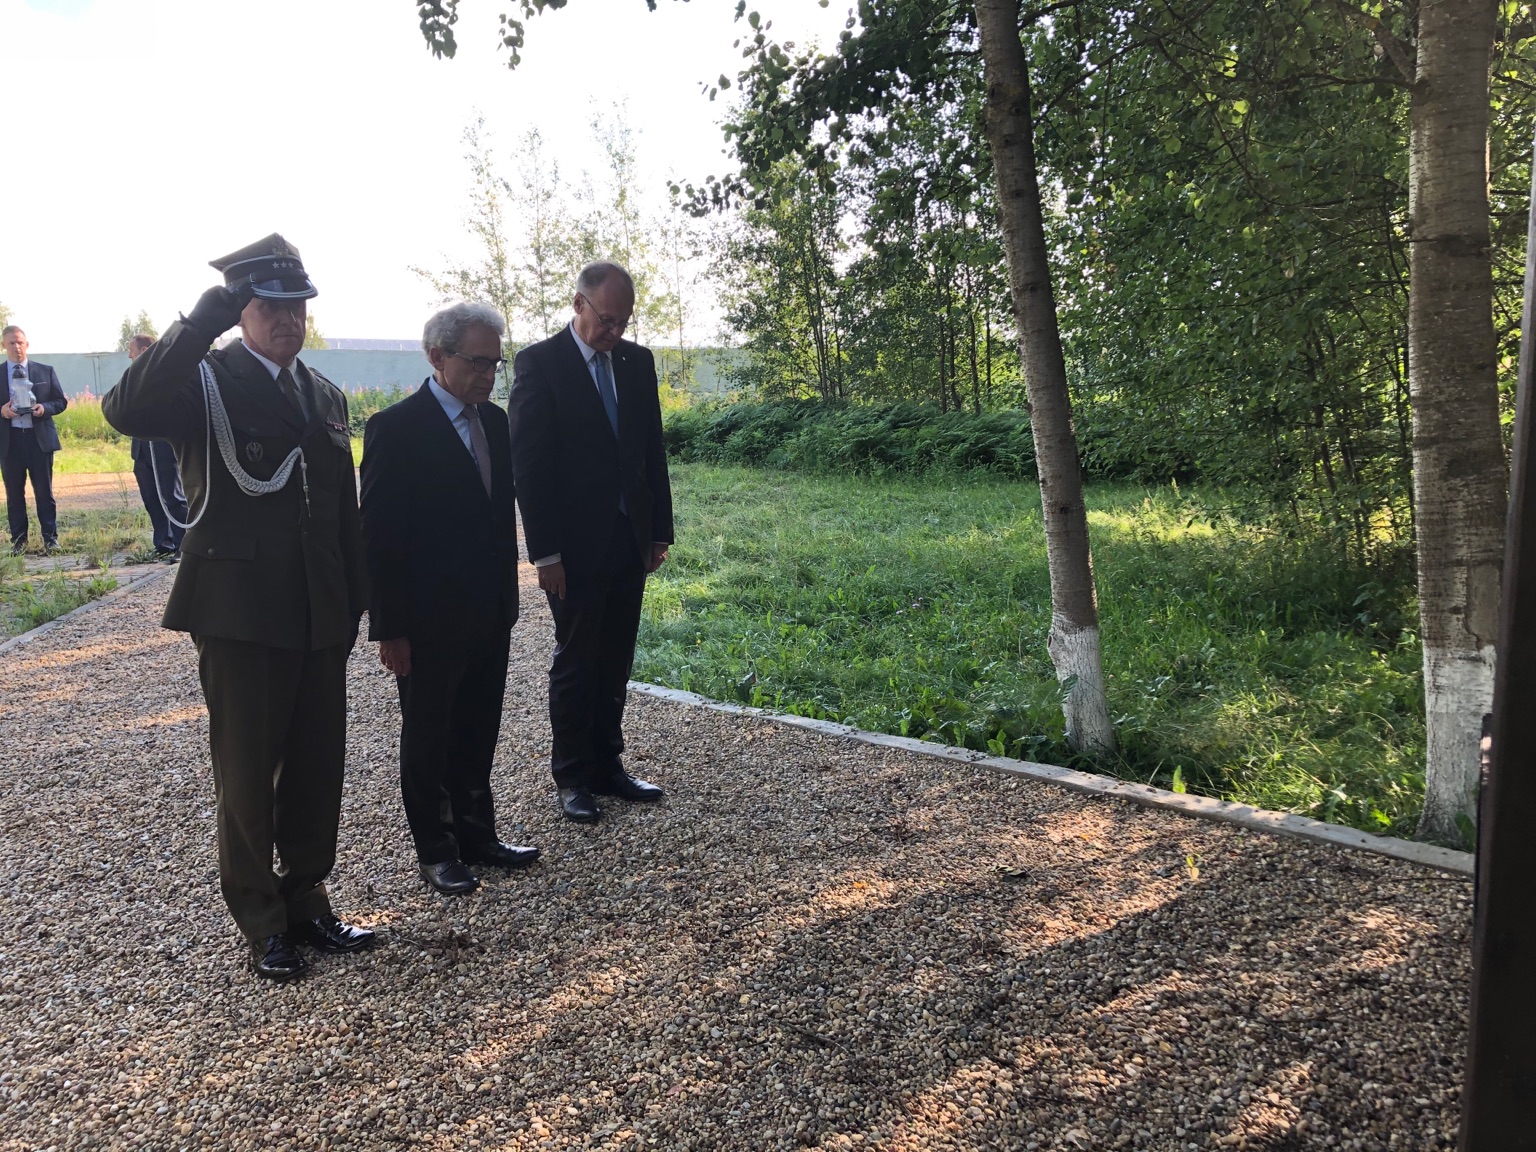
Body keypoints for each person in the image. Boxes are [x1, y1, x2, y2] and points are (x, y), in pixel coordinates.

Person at [101, 234, 374, 982]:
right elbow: (125, 409)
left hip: (319, 609)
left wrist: (357, 600)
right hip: (241, 611)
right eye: (269, 305)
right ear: (240, 310)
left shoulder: (324, 394)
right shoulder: (204, 381)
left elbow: (342, 510)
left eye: (297, 306)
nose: (288, 319)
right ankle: (262, 921)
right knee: (248, 775)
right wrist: (201, 321)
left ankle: (307, 899)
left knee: (318, 767)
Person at [360, 302, 540, 896]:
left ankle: (477, 835)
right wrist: (390, 628)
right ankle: (436, 849)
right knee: (429, 737)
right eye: (478, 361)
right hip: (428, 621)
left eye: (496, 362)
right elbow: (379, 537)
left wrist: (508, 597)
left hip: (489, 611)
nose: (489, 374)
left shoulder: (495, 423)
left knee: (478, 729)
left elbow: (499, 517)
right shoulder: (396, 428)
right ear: (437, 357)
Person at [508, 262, 674, 824]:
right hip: (573, 549)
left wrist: (658, 531)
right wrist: (545, 553)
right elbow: (529, 467)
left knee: (617, 655)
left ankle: (608, 764)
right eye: (607, 319)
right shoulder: (539, 364)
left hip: (630, 538)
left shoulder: (636, 363)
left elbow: (651, 452)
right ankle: (572, 775)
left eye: (624, 321)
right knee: (578, 659)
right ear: (578, 303)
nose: (615, 331)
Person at [1, 325, 68, 555]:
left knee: (44, 492)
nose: (17, 347)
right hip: (10, 443)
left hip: (39, 441)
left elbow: (60, 401)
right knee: (14, 495)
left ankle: (51, 539)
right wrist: (2, 411)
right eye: (11, 343)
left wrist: (44, 408)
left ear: (27, 344)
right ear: (3, 346)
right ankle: (19, 542)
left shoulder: (44, 371)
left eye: (20, 342)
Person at [125, 333, 187, 561]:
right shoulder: (134, 376)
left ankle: (184, 545)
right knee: (151, 497)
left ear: (143, 350)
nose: (129, 356)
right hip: (141, 448)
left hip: (162, 447)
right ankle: (164, 543)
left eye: (131, 350)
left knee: (172, 497)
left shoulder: (165, 374)